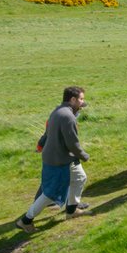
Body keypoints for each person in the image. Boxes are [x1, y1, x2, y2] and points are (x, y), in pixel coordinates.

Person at [16, 86, 90, 233]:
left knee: (80, 177)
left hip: (58, 156)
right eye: (81, 99)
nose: (83, 102)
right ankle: (26, 220)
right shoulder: (68, 117)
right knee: (51, 194)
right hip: (60, 160)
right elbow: (72, 144)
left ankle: (71, 211)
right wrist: (84, 155)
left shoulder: (58, 111)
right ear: (72, 99)